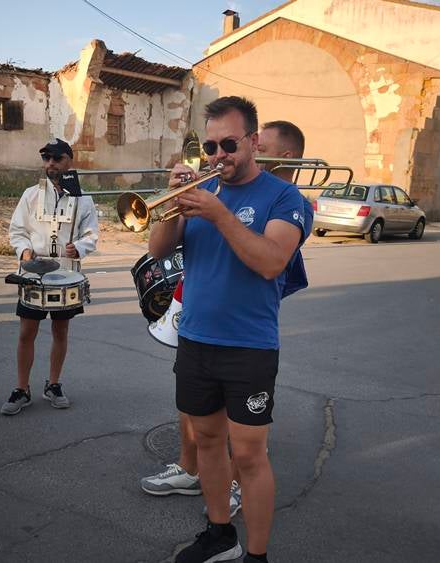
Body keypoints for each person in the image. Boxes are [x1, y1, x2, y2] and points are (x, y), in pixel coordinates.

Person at [150, 96, 308, 563]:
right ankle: (220, 534)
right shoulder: (200, 192)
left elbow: (270, 261)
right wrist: (176, 205)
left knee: (251, 455)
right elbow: (159, 250)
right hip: (196, 339)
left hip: (249, 348)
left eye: (230, 144)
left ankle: (256, 556)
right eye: (211, 146)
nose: (219, 155)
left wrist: (218, 214)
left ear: (254, 142)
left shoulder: (283, 197)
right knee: (208, 444)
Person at [2, 138, 98, 415]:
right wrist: (24, 251)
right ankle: (22, 389)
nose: (51, 164)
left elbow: (92, 234)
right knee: (26, 332)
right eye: (46, 159)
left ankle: (53, 384)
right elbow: (17, 230)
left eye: (57, 159)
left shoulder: (84, 199)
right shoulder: (30, 195)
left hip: (66, 273)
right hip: (33, 272)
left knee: (61, 330)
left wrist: (78, 247)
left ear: (70, 161)